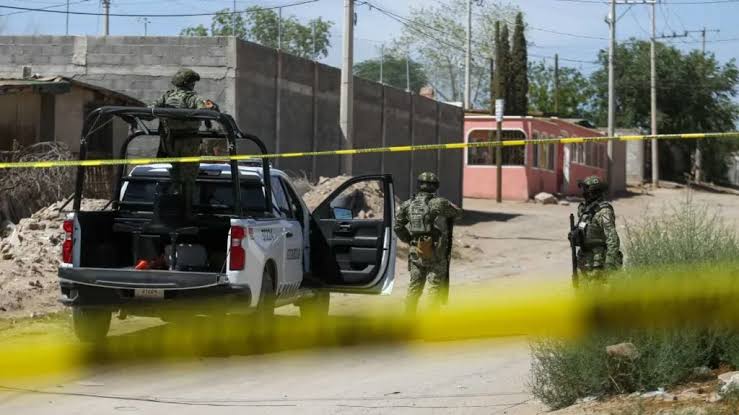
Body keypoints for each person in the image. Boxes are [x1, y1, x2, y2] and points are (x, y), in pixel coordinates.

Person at [150, 68, 219, 220]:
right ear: (190, 83)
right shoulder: (193, 98)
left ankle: (171, 209)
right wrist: (212, 108)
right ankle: (187, 212)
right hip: (189, 143)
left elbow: (150, 111)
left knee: (175, 176)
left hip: (169, 143)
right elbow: (205, 112)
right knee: (189, 179)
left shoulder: (166, 96)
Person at [395, 172, 462, 314]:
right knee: (434, 287)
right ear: (436, 186)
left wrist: (410, 240)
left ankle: (408, 317)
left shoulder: (407, 204)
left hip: (416, 251)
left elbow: (398, 227)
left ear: (419, 185)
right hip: (436, 252)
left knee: (414, 286)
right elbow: (458, 213)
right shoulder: (440, 203)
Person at [569, 175, 623, 282]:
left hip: (598, 262)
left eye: (586, 190)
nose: (584, 193)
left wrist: (609, 264)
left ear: (593, 192)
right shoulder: (586, 210)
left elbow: (613, 239)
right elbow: (584, 228)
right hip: (584, 261)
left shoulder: (604, 212)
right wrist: (575, 235)